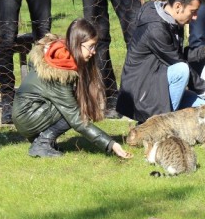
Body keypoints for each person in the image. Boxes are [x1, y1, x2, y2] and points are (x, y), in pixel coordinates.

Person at [12, 18, 133, 159]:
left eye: (95, 46)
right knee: (76, 108)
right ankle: (42, 143)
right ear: (77, 43)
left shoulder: (57, 52)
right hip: (27, 117)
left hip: (27, 111)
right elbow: (76, 119)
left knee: (77, 102)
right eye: (91, 46)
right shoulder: (59, 73)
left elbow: (32, 63)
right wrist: (111, 145)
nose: (93, 52)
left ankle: (42, 139)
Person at [116, 0, 205, 124]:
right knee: (182, 70)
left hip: (158, 84)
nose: (195, 17)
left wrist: (203, 52)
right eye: (193, 12)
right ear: (178, 6)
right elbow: (178, 62)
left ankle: (170, 117)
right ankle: (160, 126)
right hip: (141, 95)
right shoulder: (155, 29)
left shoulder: (171, 19)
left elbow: (175, 54)